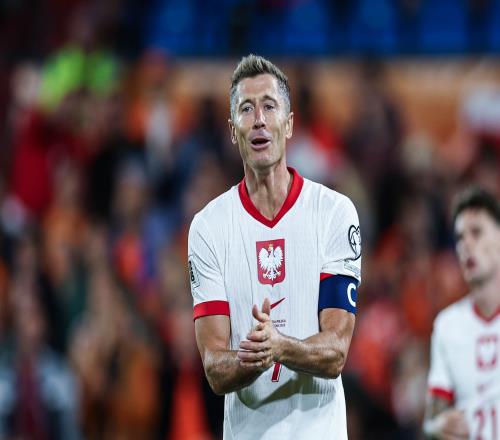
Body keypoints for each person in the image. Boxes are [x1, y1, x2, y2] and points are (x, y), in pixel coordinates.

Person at [188, 54, 362, 439]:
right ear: (232, 130)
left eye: (269, 106)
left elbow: (336, 349)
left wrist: (279, 347)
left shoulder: (334, 213)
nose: (259, 120)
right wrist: (258, 355)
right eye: (246, 109)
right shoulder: (208, 228)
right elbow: (214, 366)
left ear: (290, 123)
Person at [424, 186, 500, 439]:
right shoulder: (448, 326)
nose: (466, 244)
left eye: (476, 232)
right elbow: (432, 420)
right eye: (459, 237)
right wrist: (440, 427)